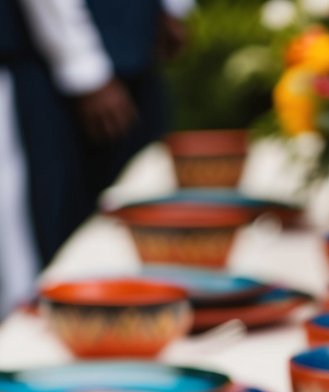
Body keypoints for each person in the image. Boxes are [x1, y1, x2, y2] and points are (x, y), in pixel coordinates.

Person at [0, 0, 193, 316]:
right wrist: (83, 66)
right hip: (47, 62)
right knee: (50, 223)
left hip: (138, 48)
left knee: (140, 204)